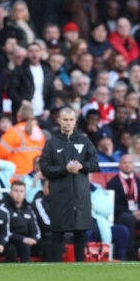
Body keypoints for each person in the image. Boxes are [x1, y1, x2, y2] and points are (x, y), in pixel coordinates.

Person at [39, 107, 99, 262]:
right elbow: (45, 168)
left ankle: (80, 265)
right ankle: (56, 267)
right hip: (59, 195)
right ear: (59, 120)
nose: (68, 123)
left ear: (75, 121)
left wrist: (82, 166)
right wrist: (64, 169)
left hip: (80, 194)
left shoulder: (84, 141)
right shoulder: (52, 143)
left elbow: (94, 164)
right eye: (65, 119)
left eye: (71, 119)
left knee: (80, 232)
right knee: (58, 232)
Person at [106, 154, 140, 260]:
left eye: (130, 163)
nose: (127, 165)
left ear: (133, 165)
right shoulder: (113, 182)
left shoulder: (139, 182)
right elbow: (113, 204)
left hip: (139, 216)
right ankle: (129, 255)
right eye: (124, 163)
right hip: (121, 216)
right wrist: (131, 213)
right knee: (129, 219)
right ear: (119, 165)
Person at [0, 180, 40, 263]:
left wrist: (34, 239)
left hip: (26, 242)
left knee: (26, 247)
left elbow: (35, 230)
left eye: (21, 191)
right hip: (8, 241)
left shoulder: (29, 209)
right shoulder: (3, 208)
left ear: (25, 193)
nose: (18, 194)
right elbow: (3, 231)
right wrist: (23, 239)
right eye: (16, 191)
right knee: (11, 249)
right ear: (11, 193)